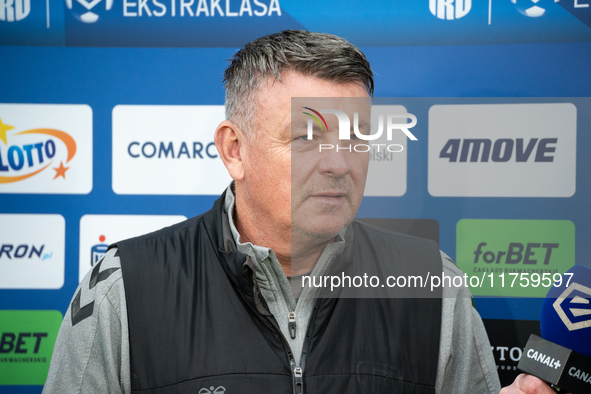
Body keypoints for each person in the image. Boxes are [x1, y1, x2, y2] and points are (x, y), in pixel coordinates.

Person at [44, 30, 542, 394]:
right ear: (234, 149)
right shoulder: (123, 290)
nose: (338, 163)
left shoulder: (434, 286)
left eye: (355, 138)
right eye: (307, 137)